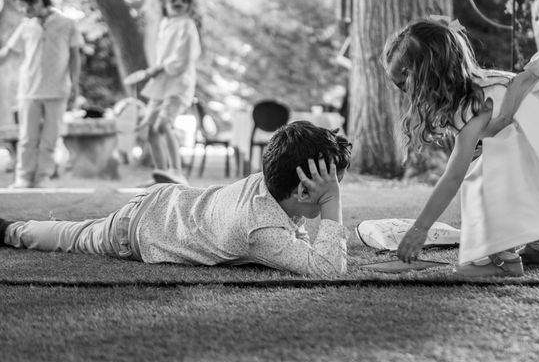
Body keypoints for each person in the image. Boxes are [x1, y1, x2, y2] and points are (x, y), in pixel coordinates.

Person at [382, 16, 539, 277]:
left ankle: (502, 259)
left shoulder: (473, 104)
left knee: (483, 178)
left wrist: (420, 229)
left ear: (428, 72)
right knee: (503, 169)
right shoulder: (480, 85)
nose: (404, 92)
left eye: (403, 82)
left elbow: (453, 177)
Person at [0, 121, 352, 277]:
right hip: (138, 232)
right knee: (74, 237)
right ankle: (10, 230)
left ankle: (23, 228)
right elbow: (328, 269)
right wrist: (331, 204)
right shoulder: (262, 230)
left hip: (165, 203)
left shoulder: (268, 183)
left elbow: (296, 231)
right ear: (304, 189)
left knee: (79, 230)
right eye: (332, 184)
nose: (334, 191)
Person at [0, 0, 82, 188]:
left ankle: (43, 177)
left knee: (50, 139)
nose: (22, 10)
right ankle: (24, 177)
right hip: (29, 91)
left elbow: (75, 57)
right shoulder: (26, 27)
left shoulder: (67, 24)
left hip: (57, 91)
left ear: (37, 0)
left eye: (24, 6)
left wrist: (75, 85)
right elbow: (8, 52)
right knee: (27, 138)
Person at [126, 0, 201, 186]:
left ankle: (177, 173)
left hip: (179, 86)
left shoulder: (187, 25)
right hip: (161, 86)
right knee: (150, 128)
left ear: (190, 4)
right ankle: (161, 174)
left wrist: (156, 69)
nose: (178, 2)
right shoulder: (165, 24)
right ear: (163, 1)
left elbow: (181, 59)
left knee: (162, 124)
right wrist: (156, 71)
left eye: (184, 0)